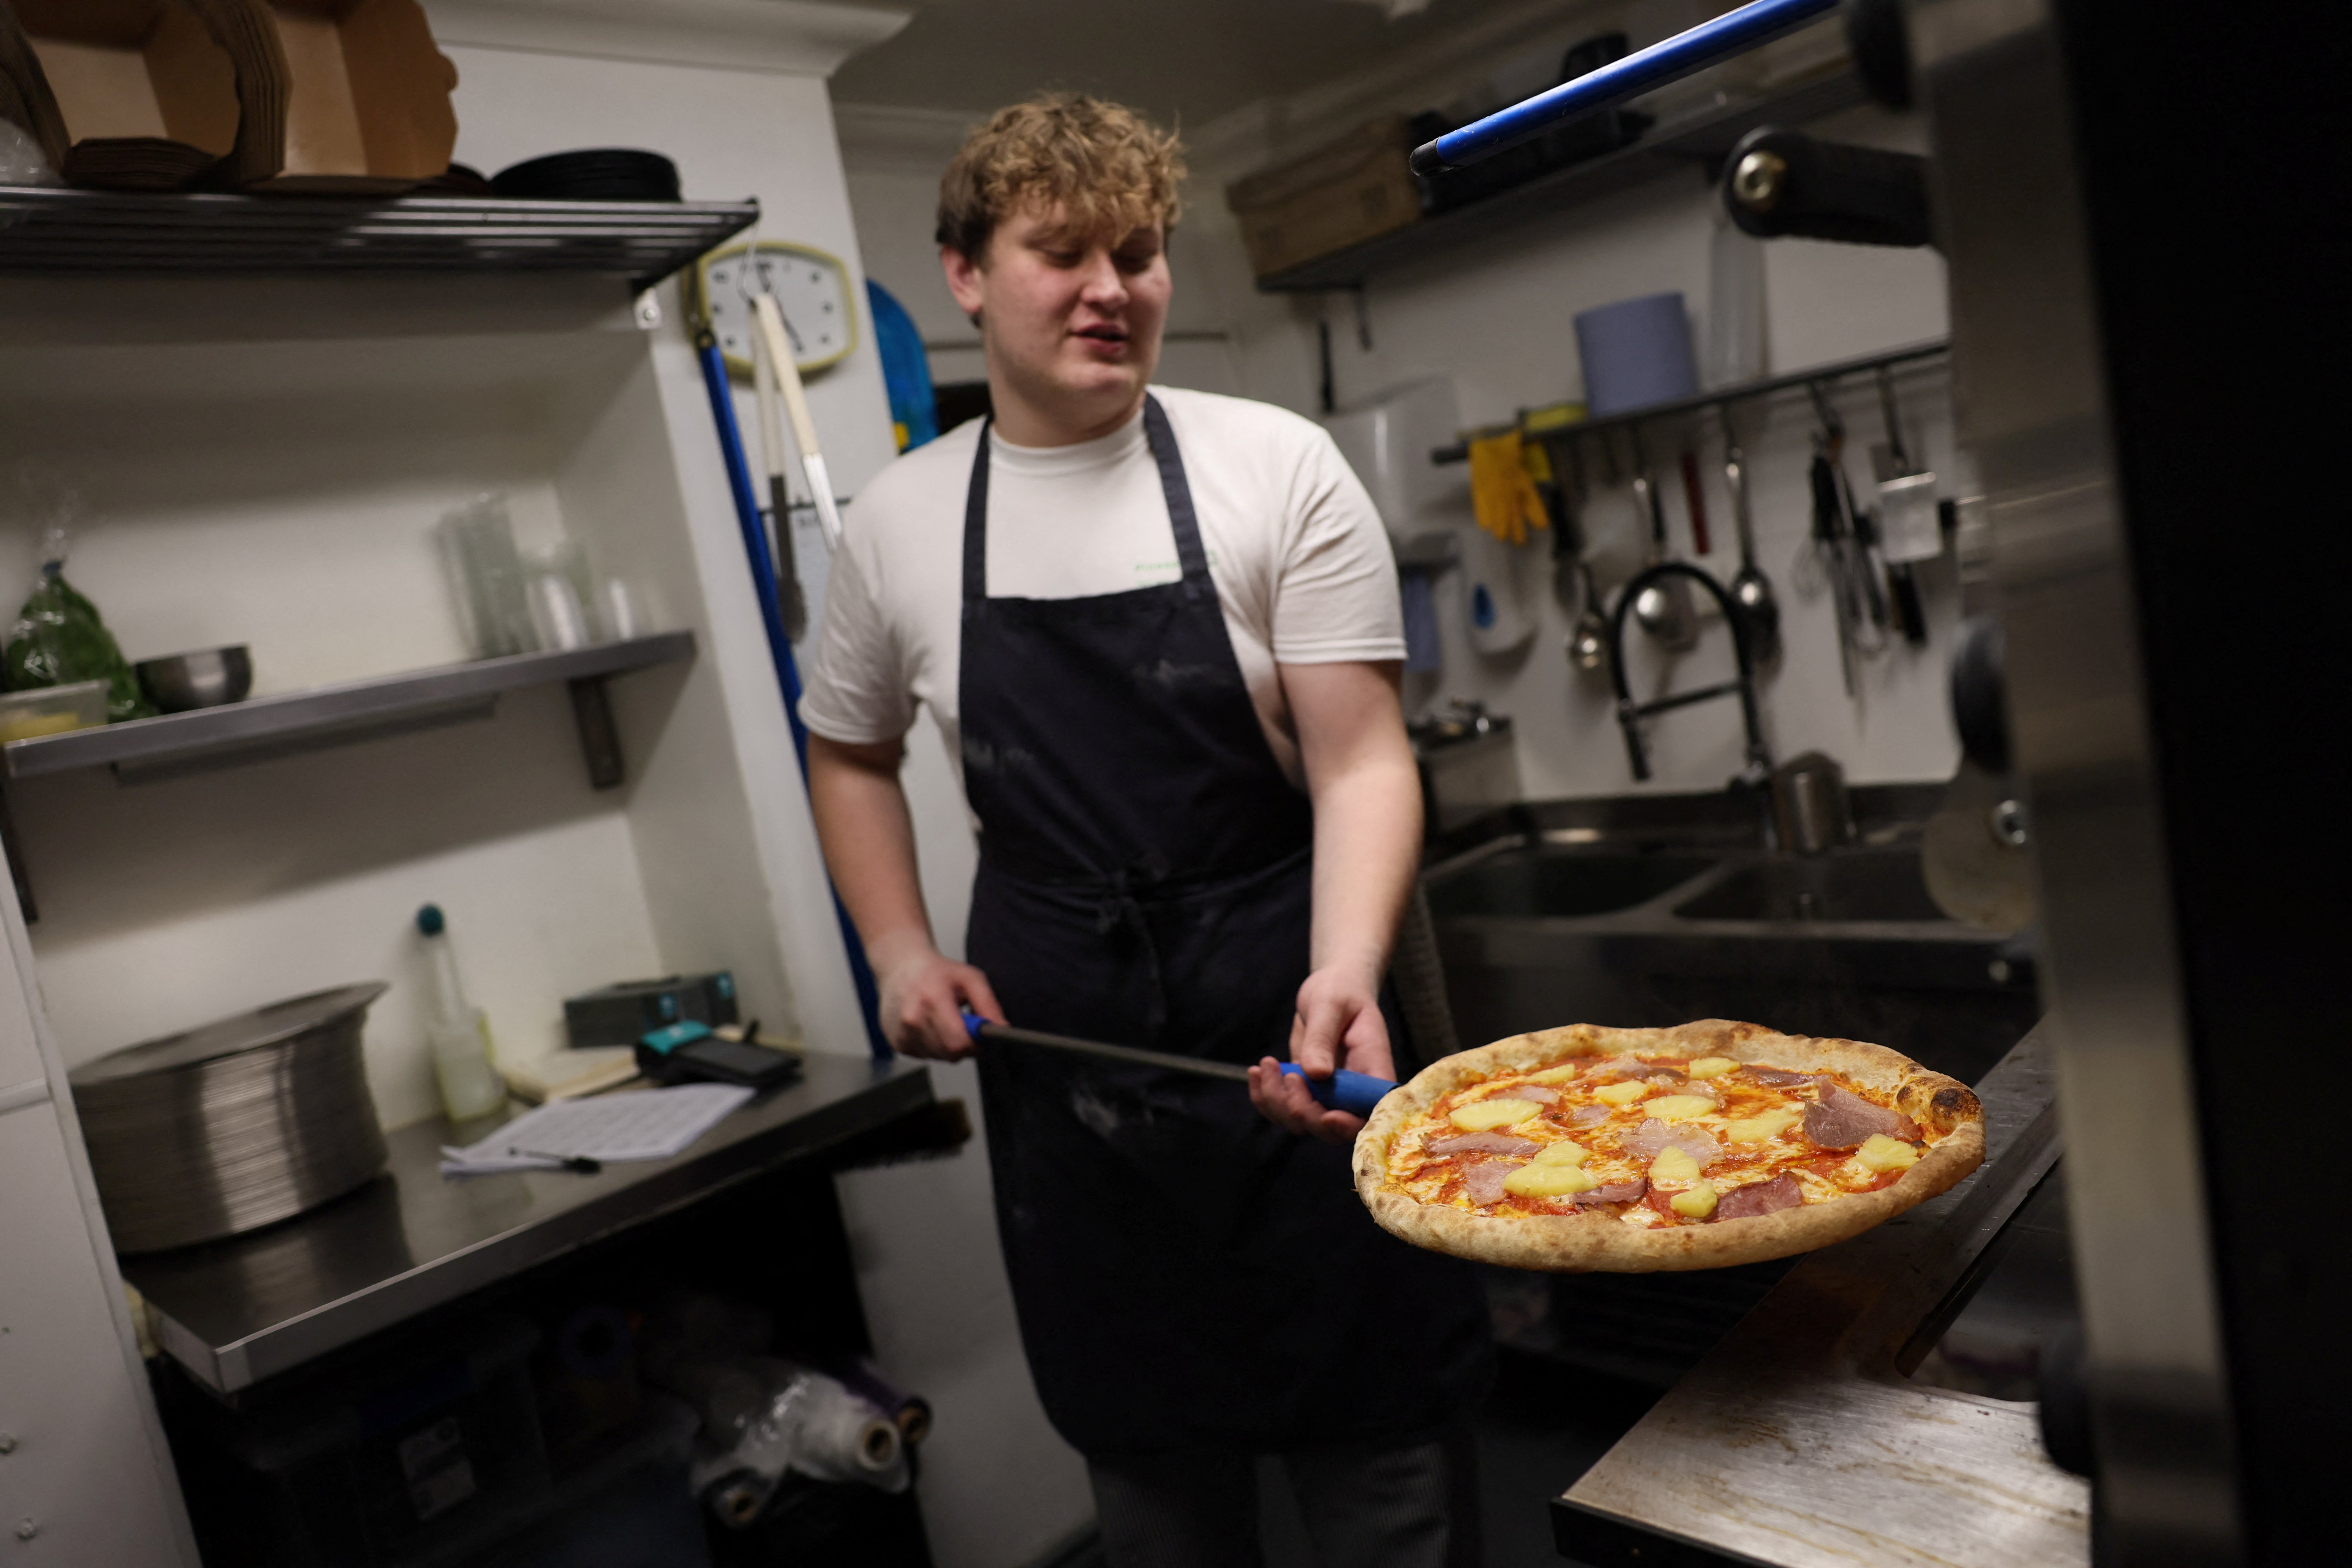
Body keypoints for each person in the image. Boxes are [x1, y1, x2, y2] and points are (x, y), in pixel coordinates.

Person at [801, 93, 1490, 1566]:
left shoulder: (1272, 465)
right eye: (1064, 251)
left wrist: (1347, 970)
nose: (1113, 288)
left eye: (1143, 251)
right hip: (1072, 1065)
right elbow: (848, 751)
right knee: (1154, 1483)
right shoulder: (899, 522)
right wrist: (899, 946)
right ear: (967, 275)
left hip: (1294, 1011)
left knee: (1384, 1471)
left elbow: (1365, 762)